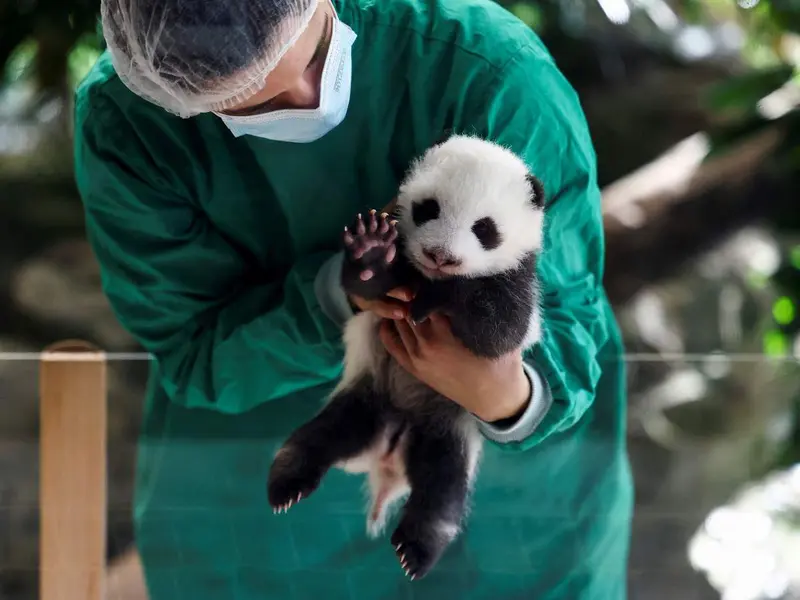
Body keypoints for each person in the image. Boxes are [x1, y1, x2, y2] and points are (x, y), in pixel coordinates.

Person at [73, 0, 633, 597]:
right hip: (262, 509)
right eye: (246, 104)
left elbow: (567, 314)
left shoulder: (486, 71)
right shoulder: (130, 119)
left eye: (311, 56)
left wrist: (509, 395)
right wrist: (334, 297)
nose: (302, 101)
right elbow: (193, 346)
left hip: (516, 515)